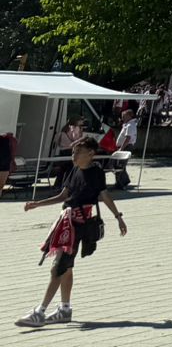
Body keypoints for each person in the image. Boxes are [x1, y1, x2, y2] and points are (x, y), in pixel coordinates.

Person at [17, 140, 126, 328]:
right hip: (66, 223)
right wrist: (37, 204)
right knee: (66, 268)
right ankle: (65, 310)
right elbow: (63, 196)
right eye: (73, 152)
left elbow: (105, 195)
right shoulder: (74, 170)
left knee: (58, 268)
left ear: (91, 153)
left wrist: (118, 217)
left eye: (78, 152)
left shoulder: (96, 173)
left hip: (79, 226)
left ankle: (40, 312)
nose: (73, 155)